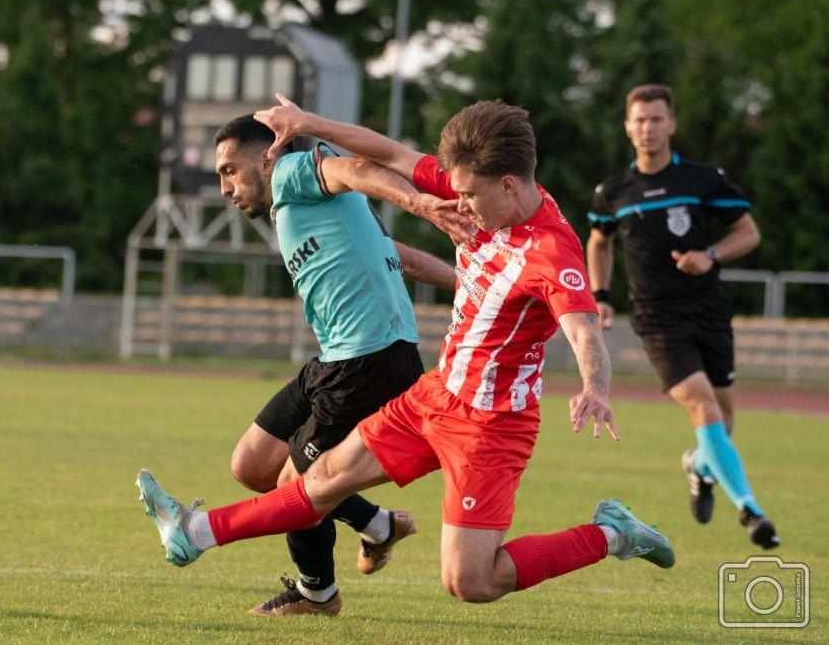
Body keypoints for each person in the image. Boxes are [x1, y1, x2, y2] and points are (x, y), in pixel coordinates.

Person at [136, 99, 675, 608]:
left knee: (471, 582)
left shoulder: (553, 250)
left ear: (509, 185)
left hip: (491, 424)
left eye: (469, 195)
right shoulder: (482, 189)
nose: (458, 205)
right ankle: (194, 532)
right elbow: (387, 153)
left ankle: (610, 533)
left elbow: (583, 328)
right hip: (434, 394)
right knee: (318, 481)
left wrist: (596, 388)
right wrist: (305, 122)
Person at [174, 115, 464, 616]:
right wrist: (478, 285)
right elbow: (403, 259)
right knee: (251, 466)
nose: (224, 187)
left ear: (265, 158)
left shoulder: (288, 175)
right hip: (335, 361)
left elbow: (352, 167)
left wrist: (419, 203)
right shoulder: (319, 213)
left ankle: (317, 593)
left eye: (229, 170)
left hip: (370, 363)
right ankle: (378, 525)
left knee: (294, 486)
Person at [586, 84, 776, 549]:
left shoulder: (704, 179)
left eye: (656, 119)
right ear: (628, 127)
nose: (648, 128)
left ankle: (698, 465)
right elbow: (599, 241)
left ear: (671, 124)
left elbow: (747, 232)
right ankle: (752, 511)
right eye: (640, 120)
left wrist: (710, 254)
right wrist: (602, 294)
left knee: (722, 426)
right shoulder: (613, 190)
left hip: (709, 311)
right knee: (703, 407)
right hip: (657, 319)